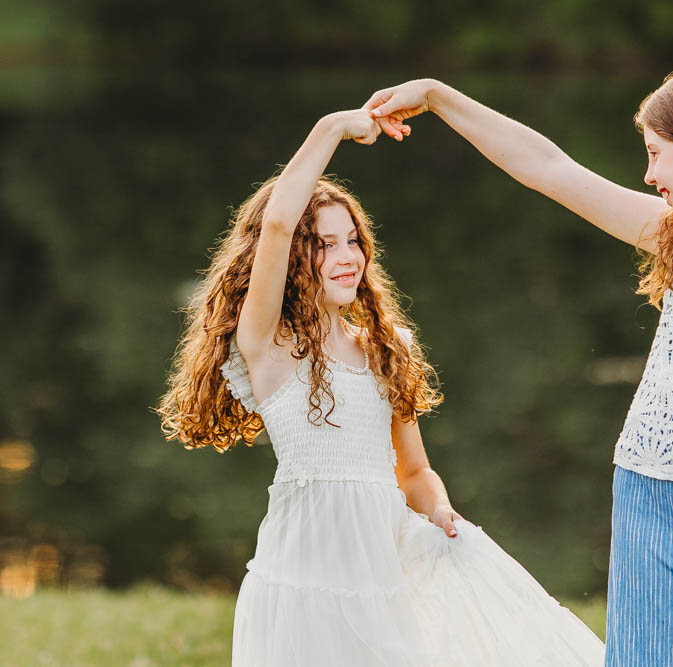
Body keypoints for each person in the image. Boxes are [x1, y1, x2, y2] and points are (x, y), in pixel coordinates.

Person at [365, 59, 673, 665]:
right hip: (647, 494)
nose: (649, 174)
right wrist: (440, 98)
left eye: (656, 154)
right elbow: (548, 168)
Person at [156, 109, 605, 666]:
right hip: (302, 575)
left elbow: (413, 471)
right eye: (324, 245)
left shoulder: (385, 348)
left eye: (353, 240)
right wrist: (332, 128)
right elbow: (275, 223)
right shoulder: (268, 346)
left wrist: (440, 511)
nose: (347, 258)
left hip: (384, 568)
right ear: (295, 256)